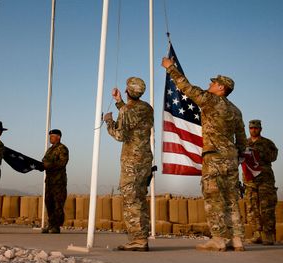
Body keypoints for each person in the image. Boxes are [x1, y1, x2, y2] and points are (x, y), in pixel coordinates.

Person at [162, 57, 246, 251]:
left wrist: (170, 68)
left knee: (214, 198)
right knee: (232, 199)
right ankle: (237, 239)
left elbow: (187, 88)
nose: (210, 84)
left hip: (214, 158)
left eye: (214, 82)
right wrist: (237, 157)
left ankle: (218, 239)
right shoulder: (236, 110)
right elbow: (241, 139)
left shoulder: (210, 100)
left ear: (221, 88)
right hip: (231, 160)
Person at [103, 77, 153, 251]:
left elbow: (120, 135)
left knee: (131, 200)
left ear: (127, 91)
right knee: (139, 199)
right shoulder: (147, 108)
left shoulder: (127, 111)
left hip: (132, 161)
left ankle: (138, 240)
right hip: (145, 159)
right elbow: (132, 117)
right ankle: (142, 237)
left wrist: (108, 121)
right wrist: (119, 103)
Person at [243, 119, 278, 245]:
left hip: (265, 180)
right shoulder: (244, 143)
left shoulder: (267, 143)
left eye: (256, 128)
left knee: (267, 208)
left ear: (260, 129)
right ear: (249, 129)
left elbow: (273, 157)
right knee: (252, 208)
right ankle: (256, 233)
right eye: (251, 128)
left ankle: (268, 234)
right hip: (250, 181)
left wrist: (258, 154)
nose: (254, 130)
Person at [41, 129, 69, 234]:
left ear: (58, 137)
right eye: (50, 136)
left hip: (59, 181)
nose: (50, 138)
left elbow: (62, 162)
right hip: (49, 181)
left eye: (52, 136)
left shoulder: (63, 149)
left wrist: (49, 165)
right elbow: (44, 161)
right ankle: (51, 224)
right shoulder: (49, 150)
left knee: (58, 204)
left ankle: (56, 226)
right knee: (49, 203)